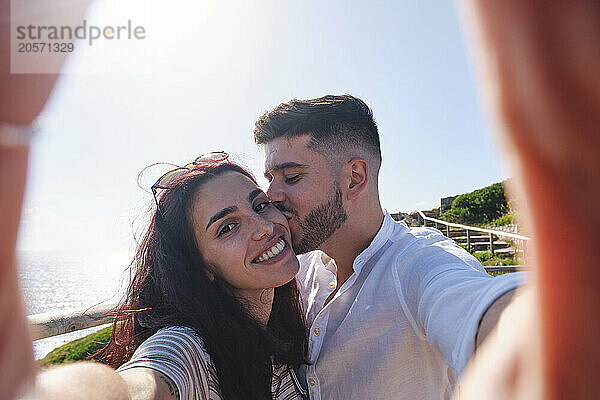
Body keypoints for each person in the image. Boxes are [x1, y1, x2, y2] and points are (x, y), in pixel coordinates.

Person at [253, 95, 522, 399]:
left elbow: (479, 309)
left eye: (291, 177)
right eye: (270, 178)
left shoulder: (418, 264)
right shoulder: (297, 270)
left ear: (355, 179)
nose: (271, 195)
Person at [24, 155, 310, 400]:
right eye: (228, 227)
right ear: (200, 267)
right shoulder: (190, 348)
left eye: (260, 205)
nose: (264, 227)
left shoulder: (285, 325)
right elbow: (141, 383)